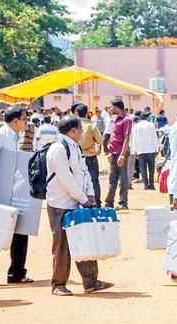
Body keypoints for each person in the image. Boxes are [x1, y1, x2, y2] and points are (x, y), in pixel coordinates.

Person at [45, 116, 114, 296]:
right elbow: (66, 179)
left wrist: (89, 194)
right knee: (62, 246)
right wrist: (83, 198)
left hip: (77, 202)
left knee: (85, 240)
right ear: (73, 130)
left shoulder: (76, 148)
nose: (83, 132)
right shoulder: (58, 149)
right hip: (60, 204)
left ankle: (91, 282)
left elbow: (85, 172)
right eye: (80, 129)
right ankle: (58, 284)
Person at [0, 107, 35, 287]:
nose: (26, 122)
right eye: (24, 119)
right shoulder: (0, 136)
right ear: (15, 121)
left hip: (15, 191)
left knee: (21, 231)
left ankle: (17, 273)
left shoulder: (15, 137)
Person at [104, 99, 132, 210]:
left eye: (111, 107)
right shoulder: (115, 119)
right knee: (112, 178)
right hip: (114, 152)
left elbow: (127, 138)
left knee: (123, 179)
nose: (110, 109)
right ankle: (109, 202)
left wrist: (122, 155)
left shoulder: (127, 120)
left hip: (121, 153)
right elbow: (113, 137)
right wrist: (110, 152)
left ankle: (123, 203)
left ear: (117, 107)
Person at [75, 103, 104, 207]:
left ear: (76, 113)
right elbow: (100, 141)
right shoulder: (92, 126)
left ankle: (81, 203)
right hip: (90, 157)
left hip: (77, 157)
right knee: (94, 181)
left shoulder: (74, 126)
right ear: (87, 113)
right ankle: (96, 202)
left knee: (78, 181)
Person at [132, 111, 159, 189]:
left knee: (142, 168)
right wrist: (157, 149)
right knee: (151, 168)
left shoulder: (136, 126)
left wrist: (135, 150)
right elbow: (154, 138)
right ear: (147, 117)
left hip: (140, 150)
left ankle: (145, 184)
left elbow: (134, 139)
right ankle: (152, 184)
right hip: (151, 149)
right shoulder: (151, 125)